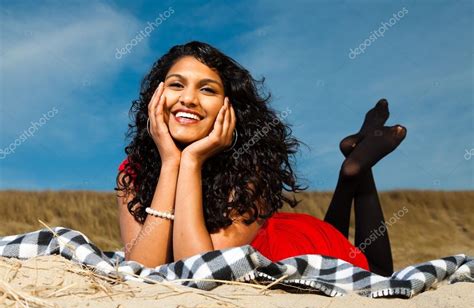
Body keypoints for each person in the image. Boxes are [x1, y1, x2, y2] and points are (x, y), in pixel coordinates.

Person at [115, 41, 406, 277]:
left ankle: (357, 172)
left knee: (378, 272)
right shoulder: (132, 172)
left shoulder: (249, 171)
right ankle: (351, 171)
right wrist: (171, 164)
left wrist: (190, 161)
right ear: (156, 97)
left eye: (207, 89)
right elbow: (142, 269)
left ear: (229, 108)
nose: (188, 99)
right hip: (299, 236)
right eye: (176, 85)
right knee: (342, 239)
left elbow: (200, 269)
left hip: (297, 247)